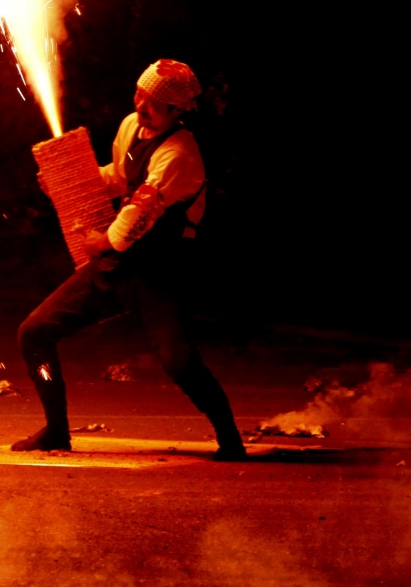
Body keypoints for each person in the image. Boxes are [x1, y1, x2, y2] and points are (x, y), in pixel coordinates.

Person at [14, 59, 247, 461]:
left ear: (178, 111)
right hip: (117, 264)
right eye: (140, 93)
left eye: (154, 102)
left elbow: (137, 214)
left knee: (179, 363)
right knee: (33, 332)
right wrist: (65, 181)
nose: (142, 105)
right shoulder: (130, 126)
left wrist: (100, 242)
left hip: (162, 271)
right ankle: (56, 430)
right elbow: (121, 179)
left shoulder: (179, 154)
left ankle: (230, 439)